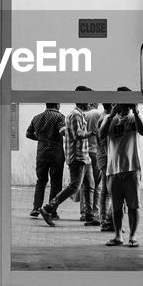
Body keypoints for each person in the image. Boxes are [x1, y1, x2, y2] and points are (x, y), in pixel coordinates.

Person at [100, 87, 143, 247]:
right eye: (122, 103)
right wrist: (112, 114)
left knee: (134, 205)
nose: (124, 106)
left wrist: (136, 110)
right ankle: (118, 235)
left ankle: (132, 236)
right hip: (113, 170)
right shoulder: (108, 118)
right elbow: (101, 134)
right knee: (117, 206)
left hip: (132, 168)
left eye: (127, 103)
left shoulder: (135, 118)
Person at [43, 89, 98, 226]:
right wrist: (92, 132)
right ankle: (48, 208)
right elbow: (77, 135)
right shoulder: (75, 115)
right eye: (88, 99)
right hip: (77, 157)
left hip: (84, 156)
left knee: (90, 185)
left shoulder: (79, 114)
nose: (90, 102)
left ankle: (89, 215)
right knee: (74, 186)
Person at [25, 103, 64, 226]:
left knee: (41, 180)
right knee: (56, 182)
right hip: (56, 153)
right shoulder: (60, 117)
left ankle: (36, 208)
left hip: (41, 153)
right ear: (57, 105)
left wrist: (41, 139)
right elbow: (62, 131)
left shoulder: (37, 117)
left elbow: (28, 134)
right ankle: (51, 211)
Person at [82, 96, 107, 228]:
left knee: (85, 185)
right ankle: (95, 211)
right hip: (96, 152)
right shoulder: (99, 114)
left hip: (85, 151)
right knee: (98, 185)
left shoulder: (83, 114)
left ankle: (84, 212)